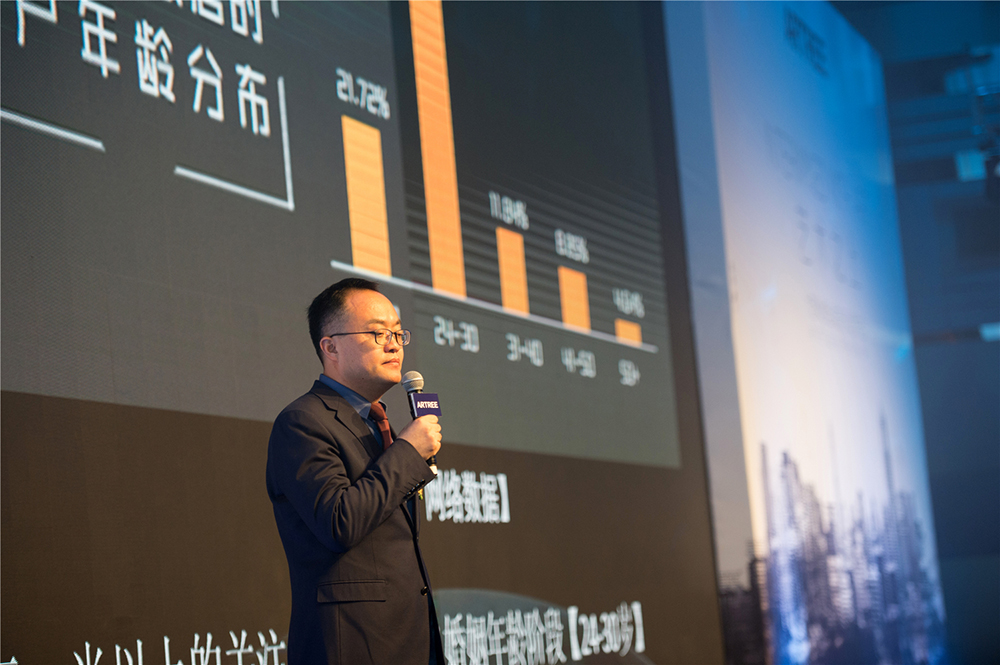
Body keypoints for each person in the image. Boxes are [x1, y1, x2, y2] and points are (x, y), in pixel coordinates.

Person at [266, 278, 445, 664]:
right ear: (330, 346)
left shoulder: (377, 423)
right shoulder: (302, 421)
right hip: (352, 645)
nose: (394, 344)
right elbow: (338, 521)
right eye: (378, 333)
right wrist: (408, 452)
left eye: (398, 333)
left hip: (408, 640)